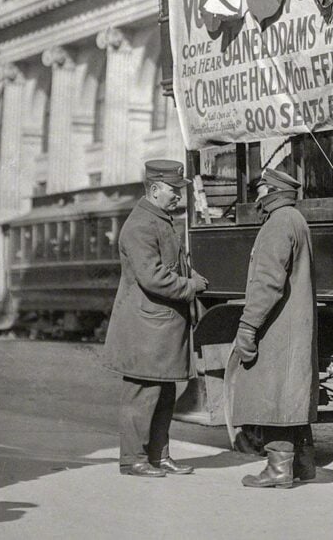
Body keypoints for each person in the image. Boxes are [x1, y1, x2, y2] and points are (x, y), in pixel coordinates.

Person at [103, 160, 208, 478]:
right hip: (147, 328)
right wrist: (190, 286)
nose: (179, 195)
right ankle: (133, 459)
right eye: (175, 190)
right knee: (142, 394)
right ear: (154, 189)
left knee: (162, 394)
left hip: (158, 327)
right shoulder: (141, 225)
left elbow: (168, 266)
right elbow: (152, 277)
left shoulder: (158, 219)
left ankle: (158, 456)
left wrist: (191, 275)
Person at [231, 166, 318, 489]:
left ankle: (278, 469)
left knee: (274, 395)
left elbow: (266, 283)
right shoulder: (296, 220)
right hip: (295, 324)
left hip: (277, 326)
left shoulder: (276, 224)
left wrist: (248, 326)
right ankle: (303, 465)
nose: (256, 196)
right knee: (292, 393)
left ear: (270, 192)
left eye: (260, 190)